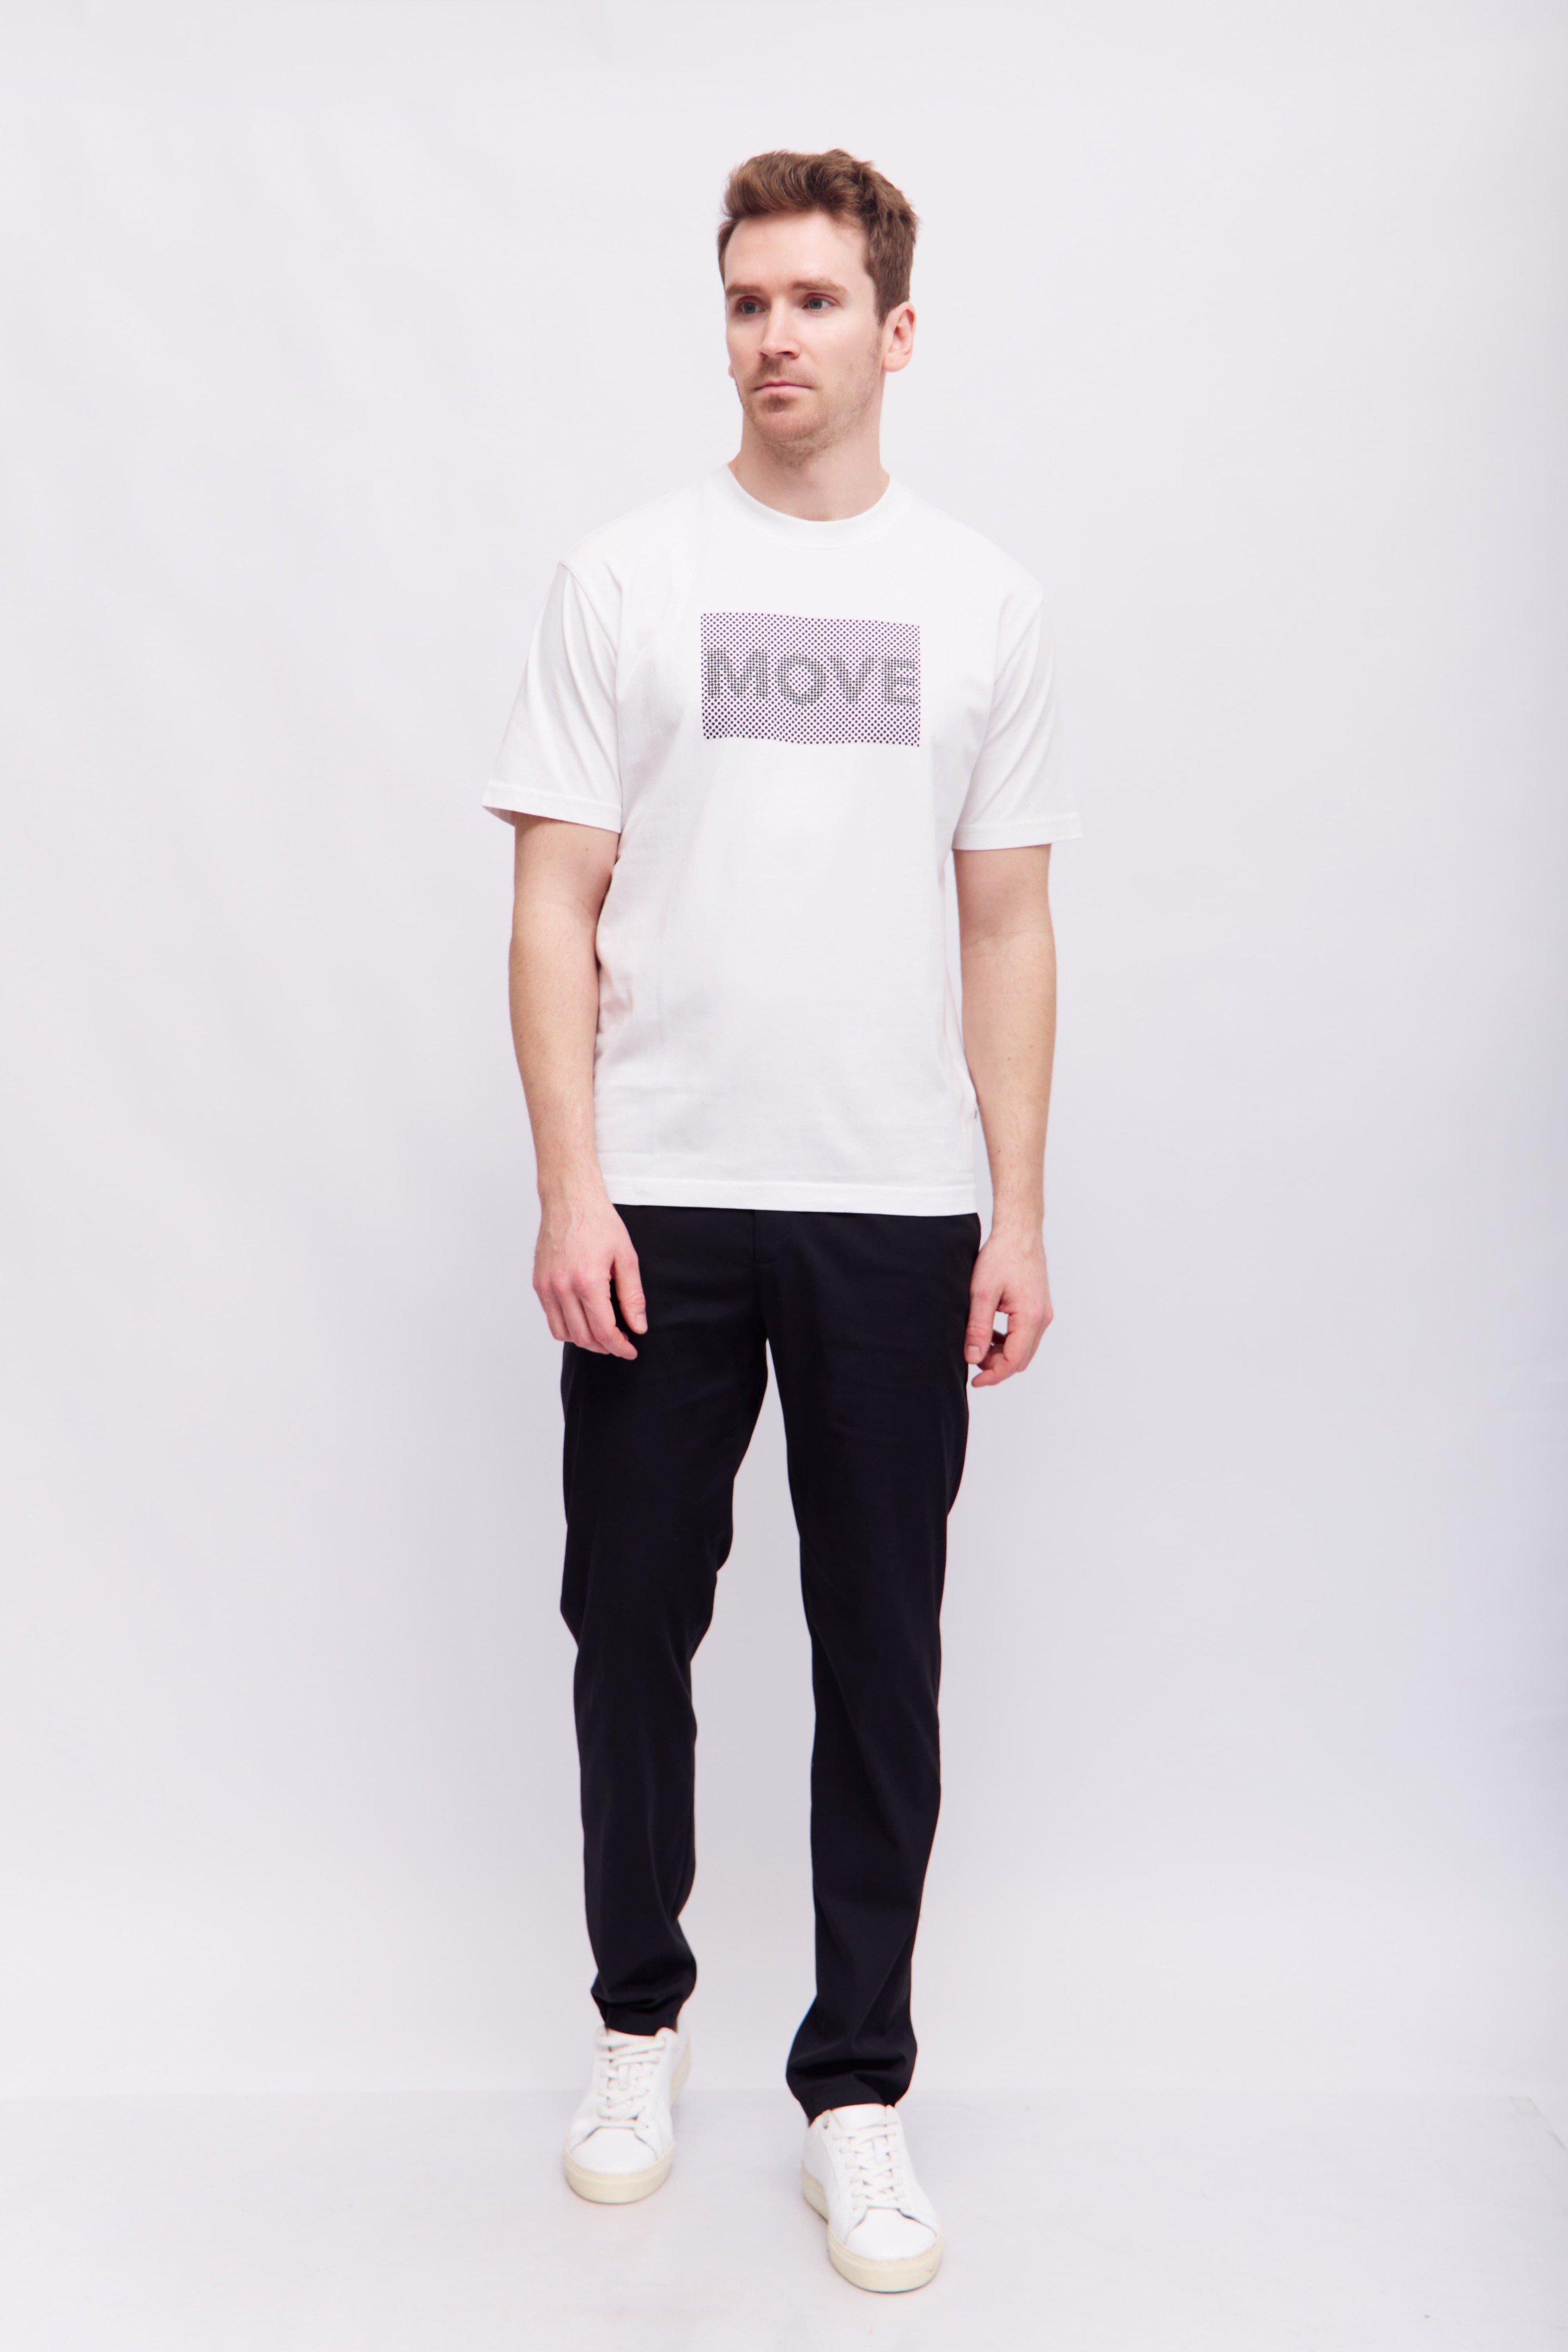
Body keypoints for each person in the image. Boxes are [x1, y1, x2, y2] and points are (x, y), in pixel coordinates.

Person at [485, 147, 1078, 2295]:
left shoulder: (981, 601)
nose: (774, 336)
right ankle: (636, 2030)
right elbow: (551, 903)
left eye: (815, 300)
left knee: (879, 1653)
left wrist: (1014, 1211)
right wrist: (572, 1184)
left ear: (894, 330)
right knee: (629, 1623)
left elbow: (1004, 926)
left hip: (891, 1203)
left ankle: (854, 2094)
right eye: (747, 300)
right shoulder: (622, 577)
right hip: (661, 1191)